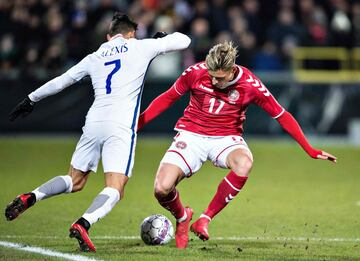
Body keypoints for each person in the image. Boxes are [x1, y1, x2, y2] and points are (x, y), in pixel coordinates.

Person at [5, 12, 191, 252]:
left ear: (108, 36)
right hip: (120, 125)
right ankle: (84, 223)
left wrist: (31, 98)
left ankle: (31, 196)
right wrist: (160, 41)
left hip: (93, 121)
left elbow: (62, 80)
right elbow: (184, 40)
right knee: (116, 187)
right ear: (131, 33)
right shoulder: (141, 47)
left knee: (75, 179)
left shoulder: (95, 56)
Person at [137, 41, 337, 249]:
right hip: (191, 135)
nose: (214, 81)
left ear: (232, 70)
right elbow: (168, 98)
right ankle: (182, 217)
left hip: (226, 137)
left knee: (244, 163)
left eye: (220, 77)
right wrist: (138, 124)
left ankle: (205, 219)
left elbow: (281, 115)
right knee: (161, 189)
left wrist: (310, 149)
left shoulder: (250, 84)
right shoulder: (195, 72)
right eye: (212, 75)